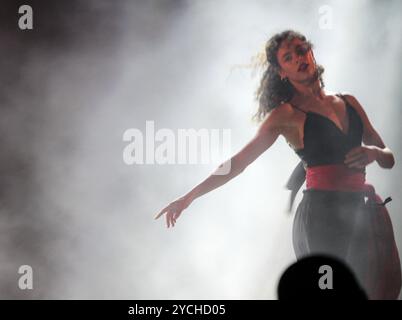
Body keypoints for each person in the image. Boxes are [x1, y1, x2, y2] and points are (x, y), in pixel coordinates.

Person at [154, 30, 401, 299]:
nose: (298, 57)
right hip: (322, 216)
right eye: (288, 57)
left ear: (311, 50)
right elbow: (237, 162)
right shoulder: (286, 115)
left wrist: (374, 153)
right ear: (282, 71)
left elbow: (388, 157)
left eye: (300, 49)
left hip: (361, 211)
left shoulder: (349, 101)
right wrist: (189, 197)